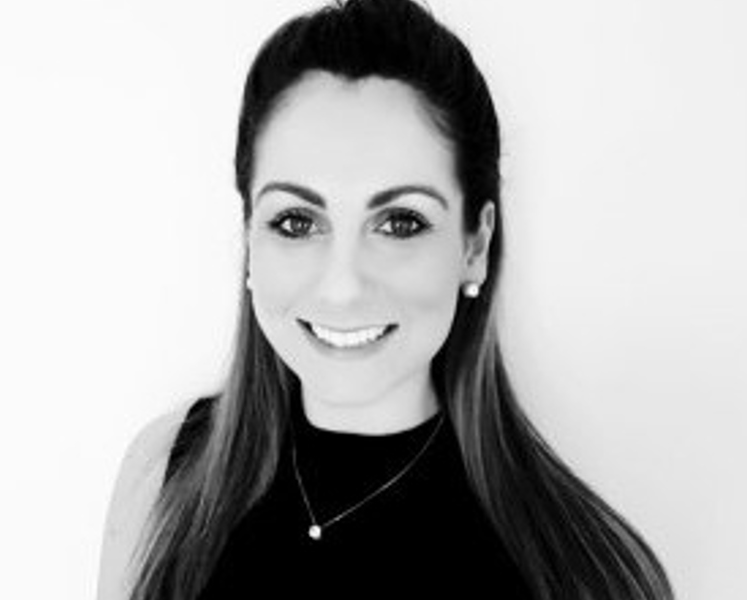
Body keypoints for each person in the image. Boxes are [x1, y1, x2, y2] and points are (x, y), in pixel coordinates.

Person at [98, 0, 675, 598]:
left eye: (400, 223)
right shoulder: (164, 474)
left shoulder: (582, 576)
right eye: (296, 222)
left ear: (475, 244)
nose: (342, 286)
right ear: (249, 236)